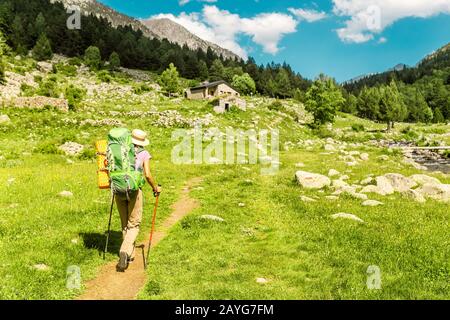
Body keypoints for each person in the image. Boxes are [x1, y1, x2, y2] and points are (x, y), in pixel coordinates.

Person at [116, 129, 162, 271]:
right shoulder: (143, 153)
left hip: (118, 189)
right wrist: (155, 187)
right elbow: (147, 175)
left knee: (125, 223)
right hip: (134, 190)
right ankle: (124, 251)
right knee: (134, 224)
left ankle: (130, 254)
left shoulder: (121, 151)